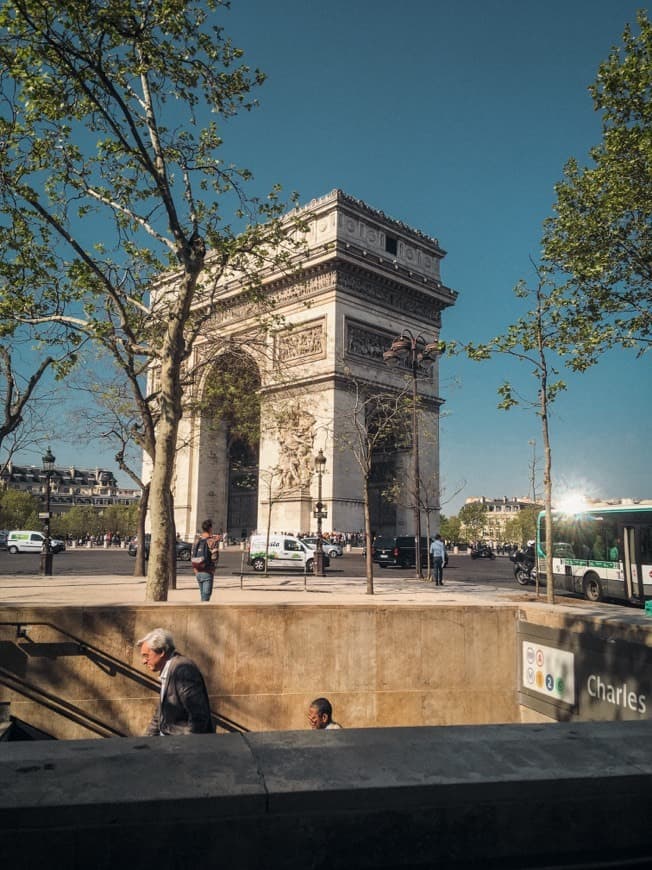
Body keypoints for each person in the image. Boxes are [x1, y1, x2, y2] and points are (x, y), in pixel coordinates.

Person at [137, 627, 213, 736]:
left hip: (181, 745)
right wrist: (147, 740)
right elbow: (160, 715)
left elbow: (199, 718)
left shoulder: (183, 670)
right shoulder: (169, 669)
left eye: (146, 656)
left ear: (162, 652)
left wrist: (183, 748)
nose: (144, 661)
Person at [192, 518, 220, 602]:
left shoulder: (197, 541)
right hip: (207, 572)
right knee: (205, 599)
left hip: (198, 572)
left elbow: (192, 555)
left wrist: (195, 570)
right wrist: (212, 570)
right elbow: (214, 558)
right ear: (210, 528)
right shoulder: (212, 541)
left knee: (202, 596)